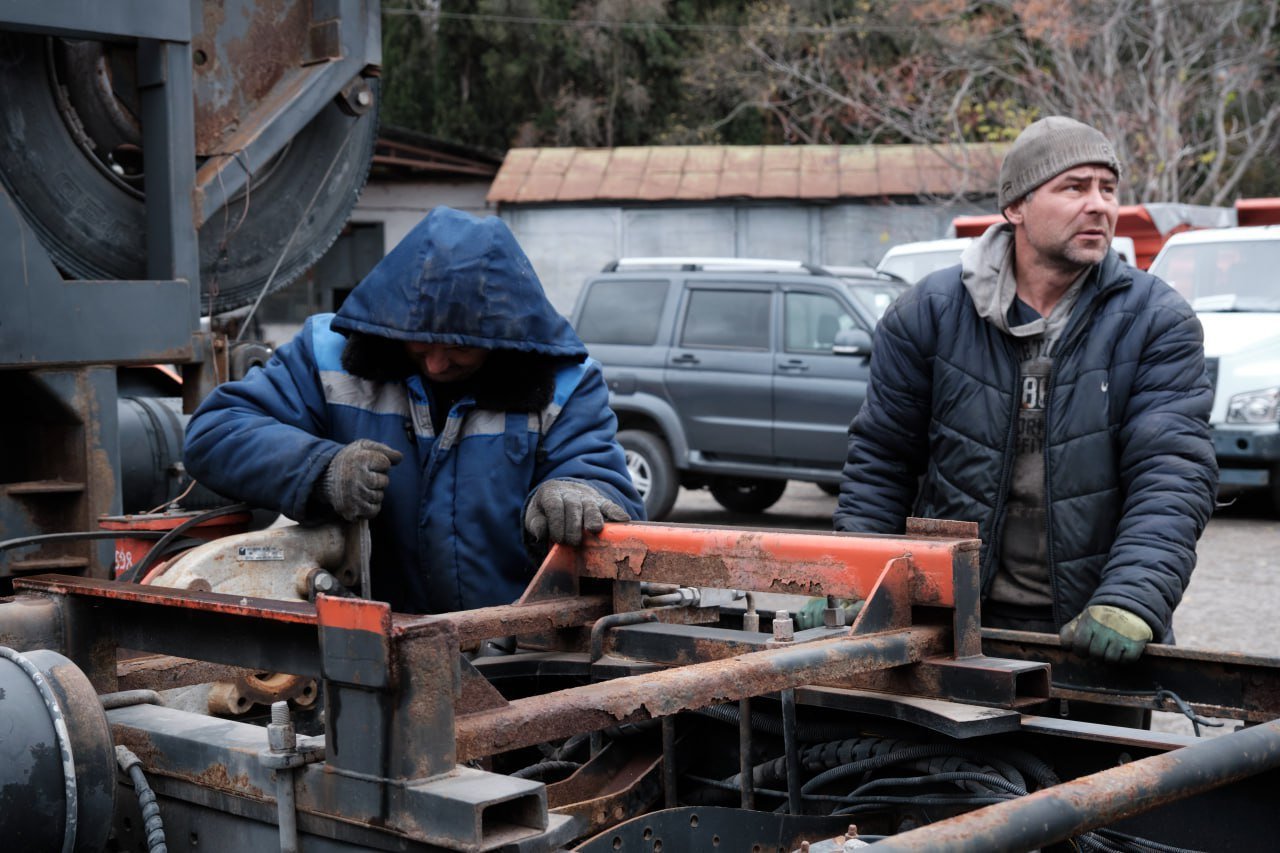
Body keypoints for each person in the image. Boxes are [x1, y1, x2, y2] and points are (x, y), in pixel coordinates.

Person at [833, 117, 1216, 666]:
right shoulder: (929, 314)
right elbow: (882, 460)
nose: (1099, 205)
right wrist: (856, 581)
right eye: (1074, 187)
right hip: (948, 625)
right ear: (1016, 206)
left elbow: (1173, 473)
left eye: (1108, 189)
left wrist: (1133, 597)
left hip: (1094, 629)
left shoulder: (1156, 320)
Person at [184, 206, 643, 614]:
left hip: (517, 653)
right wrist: (322, 470)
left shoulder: (566, 383)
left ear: (504, 339)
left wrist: (578, 492)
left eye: (460, 349)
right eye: (420, 343)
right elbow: (216, 433)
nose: (437, 363)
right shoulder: (325, 355)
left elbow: (612, 494)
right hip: (365, 647)